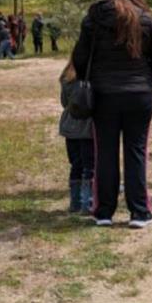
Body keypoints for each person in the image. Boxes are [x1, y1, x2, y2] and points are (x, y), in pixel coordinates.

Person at [71, 0, 152, 228]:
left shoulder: (94, 17)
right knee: (136, 151)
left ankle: (104, 212)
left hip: (104, 95)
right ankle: (139, 212)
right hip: (139, 95)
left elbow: (79, 58)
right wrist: (146, 78)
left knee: (105, 152)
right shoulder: (146, 18)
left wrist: (91, 79)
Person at [59, 61, 95, 214]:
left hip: (69, 125)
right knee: (89, 167)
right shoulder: (90, 79)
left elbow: (64, 102)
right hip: (87, 128)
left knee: (75, 165)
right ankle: (87, 203)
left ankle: (75, 202)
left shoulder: (66, 79)